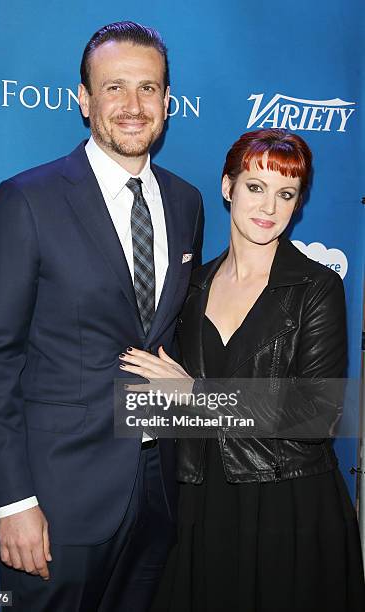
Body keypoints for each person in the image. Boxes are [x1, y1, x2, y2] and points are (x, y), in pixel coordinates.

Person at [0, 21, 204, 612]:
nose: (132, 106)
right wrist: (13, 502)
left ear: (167, 103)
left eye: (148, 89)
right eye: (114, 87)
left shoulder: (186, 201)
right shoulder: (27, 199)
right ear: (84, 99)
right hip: (57, 498)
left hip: (157, 492)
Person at [119, 129, 365, 612]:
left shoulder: (317, 288)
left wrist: (197, 394)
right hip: (199, 502)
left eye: (286, 194)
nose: (269, 207)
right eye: (256, 187)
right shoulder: (189, 287)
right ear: (228, 186)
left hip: (288, 503)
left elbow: (318, 415)